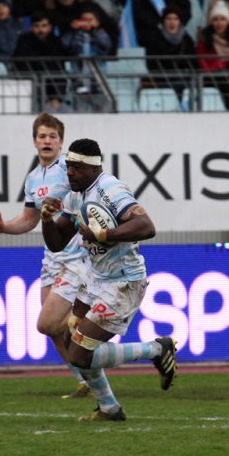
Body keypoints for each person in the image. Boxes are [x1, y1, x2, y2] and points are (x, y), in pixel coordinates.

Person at [40, 138, 177, 421]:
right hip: (95, 278)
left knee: (79, 355)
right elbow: (57, 244)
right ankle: (109, 409)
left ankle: (156, 349)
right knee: (69, 336)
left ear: (91, 168)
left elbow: (146, 226)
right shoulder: (75, 194)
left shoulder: (110, 189)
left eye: (75, 168)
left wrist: (102, 235)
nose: (69, 173)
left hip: (122, 283)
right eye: (68, 167)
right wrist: (46, 220)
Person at [0, 113, 92, 399]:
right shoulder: (33, 178)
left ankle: (94, 330)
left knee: (48, 322)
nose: (47, 141)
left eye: (52, 136)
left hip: (75, 256)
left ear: (61, 141)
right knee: (54, 330)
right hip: (51, 258)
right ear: (34, 141)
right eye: (42, 136)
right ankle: (86, 382)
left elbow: (87, 203)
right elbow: (29, 220)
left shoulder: (70, 170)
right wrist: (4, 227)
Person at [12, 10, 70, 112]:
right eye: (37, 26)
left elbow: (60, 73)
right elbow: (25, 73)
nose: (40, 30)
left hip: (54, 96)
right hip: (33, 96)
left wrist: (56, 98)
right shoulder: (23, 44)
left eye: (44, 26)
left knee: (69, 113)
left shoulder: (56, 43)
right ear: (30, 28)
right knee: (51, 116)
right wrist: (41, 98)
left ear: (49, 28)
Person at [144, 5, 197, 101]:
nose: (172, 22)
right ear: (164, 20)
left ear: (179, 21)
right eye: (169, 19)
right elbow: (151, 64)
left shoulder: (186, 39)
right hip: (162, 80)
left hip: (184, 78)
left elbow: (193, 62)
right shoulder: (154, 38)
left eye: (175, 19)